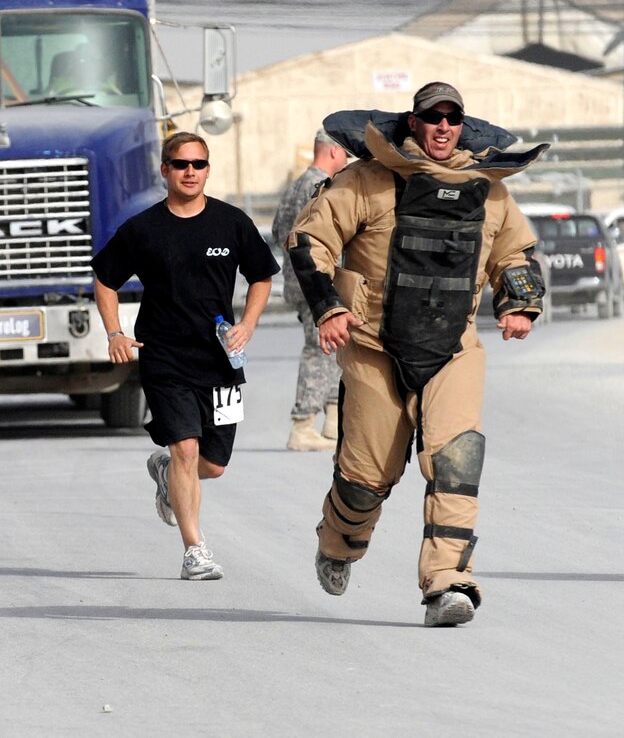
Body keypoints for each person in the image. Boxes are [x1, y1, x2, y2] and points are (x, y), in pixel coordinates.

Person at [287, 82, 548, 626]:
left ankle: (446, 585)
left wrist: (519, 301)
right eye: (433, 117)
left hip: (452, 349)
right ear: (414, 122)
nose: (443, 127)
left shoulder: (489, 190)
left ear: (463, 125)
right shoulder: (366, 181)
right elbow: (309, 241)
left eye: (453, 118)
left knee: (457, 460)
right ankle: (338, 544)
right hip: (374, 345)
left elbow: (514, 252)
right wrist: (330, 308)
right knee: (364, 480)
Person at [91, 131, 280, 580]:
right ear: (165, 171)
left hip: (220, 361)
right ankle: (194, 549)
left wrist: (248, 324)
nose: (190, 171)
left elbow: (261, 276)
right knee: (186, 449)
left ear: (208, 169)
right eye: (180, 164)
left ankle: (163, 471)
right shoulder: (143, 228)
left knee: (212, 465)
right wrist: (115, 331)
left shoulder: (231, 222)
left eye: (198, 164)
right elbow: (104, 279)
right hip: (165, 357)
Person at [272, 129, 349, 451]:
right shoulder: (320, 186)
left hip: (301, 281)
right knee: (319, 351)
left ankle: (332, 422)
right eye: (345, 153)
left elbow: (278, 232)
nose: (347, 161)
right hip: (316, 283)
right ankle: (303, 426)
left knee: (333, 351)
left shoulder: (296, 185)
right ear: (333, 152)